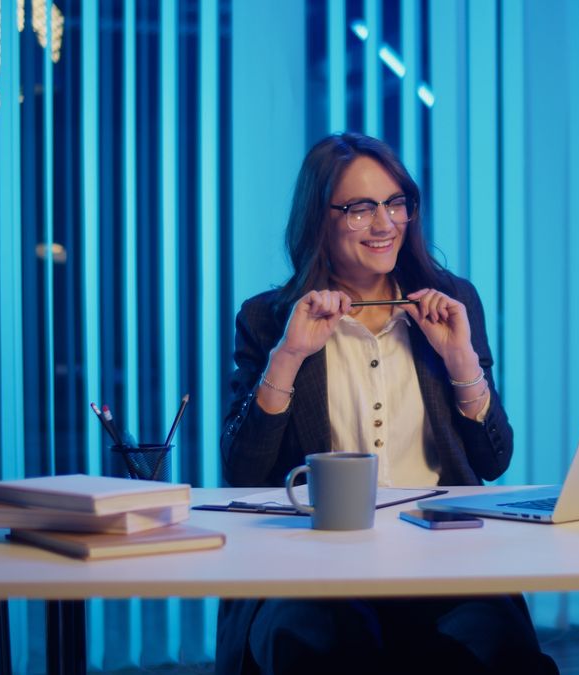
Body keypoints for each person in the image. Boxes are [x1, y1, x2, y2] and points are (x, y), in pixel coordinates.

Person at [217, 132, 557, 675]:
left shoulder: (453, 302)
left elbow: (494, 460)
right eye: (359, 209)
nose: (385, 224)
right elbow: (243, 472)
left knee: (498, 648)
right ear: (319, 219)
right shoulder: (268, 318)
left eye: (396, 203)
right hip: (314, 561)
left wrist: (462, 363)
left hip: (441, 554)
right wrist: (288, 356)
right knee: (323, 649)